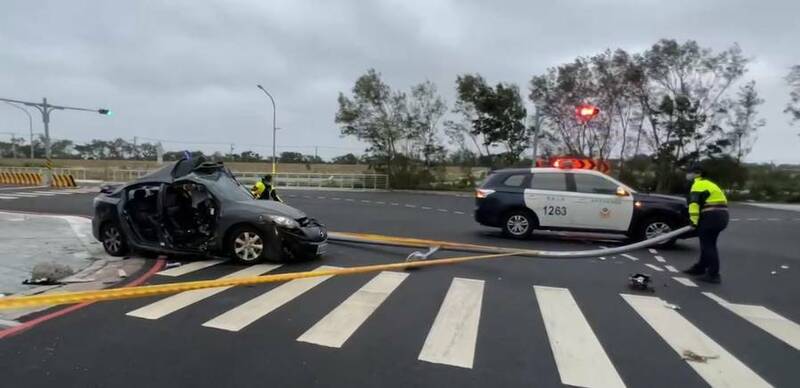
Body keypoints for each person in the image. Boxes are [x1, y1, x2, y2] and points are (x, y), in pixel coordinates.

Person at [682, 164, 729, 283]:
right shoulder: (710, 184)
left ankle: (713, 274)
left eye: (690, 172)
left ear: (697, 173)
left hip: (711, 216)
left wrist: (693, 221)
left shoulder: (698, 185)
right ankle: (701, 267)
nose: (687, 174)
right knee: (708, 243)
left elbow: (694, 204)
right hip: (721, 216)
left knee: (708, 245)